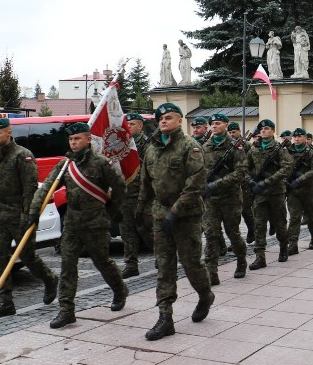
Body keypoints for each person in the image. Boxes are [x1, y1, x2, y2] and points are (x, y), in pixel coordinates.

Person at [31, 122, 128, 329]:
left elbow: (120, 187)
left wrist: (109, 211)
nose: (73, 143)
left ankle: (120, 289)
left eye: (77, 139)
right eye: (71, 140)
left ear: (88, 139)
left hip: (96, 222)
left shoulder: (102, 163)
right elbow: (47, 187)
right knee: (68, 265)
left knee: (102, 261)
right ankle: (66, 310)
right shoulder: (65, 164)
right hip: (72, 223)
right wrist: (34, 211)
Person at [138, 103, 214, 340]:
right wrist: (141, 209)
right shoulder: (151, 149)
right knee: (164, 266)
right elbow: (146, 182)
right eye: (160, 118)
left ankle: (205, 294)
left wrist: (176, 211)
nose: (163, 121)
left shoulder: (190, 147)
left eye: (169, 118)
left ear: (180, 121)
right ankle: (165, 317)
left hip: (187, 216)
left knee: (191, 264)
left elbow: (196, 184)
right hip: (160, 215)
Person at [0, 118, 59, 320]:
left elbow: (30, 190)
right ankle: (6, 303)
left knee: (28, 256)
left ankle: (50, 279)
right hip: (0, 214)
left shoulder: (22, 156)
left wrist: (28, 216)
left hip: (20, 213)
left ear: (9, 132)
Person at [202, 113, 248, 283]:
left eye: (218, 123)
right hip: (211, 200)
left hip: (231, 198)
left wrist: (217, 184)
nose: (214, 126)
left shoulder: (236, 147)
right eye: (212, 123)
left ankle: (241, 261)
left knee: (233, 233)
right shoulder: (205, 147)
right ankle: (211, 271)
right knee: (211, 234)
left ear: (226, 125)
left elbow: (241, 173)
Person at [246, 119, 293, 269]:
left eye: (266, 128)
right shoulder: (254, 149)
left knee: (280, 224)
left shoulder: (280, 150)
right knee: (259, 225)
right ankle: (260, 257)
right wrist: (251, 182)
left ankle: (283, 248)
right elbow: (244, 167)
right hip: (259, 194)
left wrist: (267, 182)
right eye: (261, 129)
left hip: (276, 193)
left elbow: (286, 168)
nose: (263, 131)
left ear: (273, 131)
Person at [120, 113, 153, 278]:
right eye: (127, 124)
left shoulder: (149, 146)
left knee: (148, 230)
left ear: (140, 126)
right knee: (127, 232)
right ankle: (131, 264)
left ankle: (162, 259)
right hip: (125, 196)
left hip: (143, 196)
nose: (128, 127)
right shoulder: (122, 146)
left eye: (132, 124)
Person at [285, 128, 313, 254]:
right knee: (294, 218)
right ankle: (293, 244)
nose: (296, 139)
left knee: (311, 217)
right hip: (293, 191)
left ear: (305, 138)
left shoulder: (312, 153)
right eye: (295, 137)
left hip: (309, 190)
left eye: (299, 136)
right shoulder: (287, 152)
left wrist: (301, 179)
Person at [227, 122, 255, 244]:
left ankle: (252, 229)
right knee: (234, 215)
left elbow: (252, 163)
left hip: (245, 183)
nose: (232, 134)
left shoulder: (247, 145)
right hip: (231, 183)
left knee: (247, 211)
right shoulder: (228, 144)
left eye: (234, 132)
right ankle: (235, 241)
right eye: (230, 132)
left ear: (239, 131)